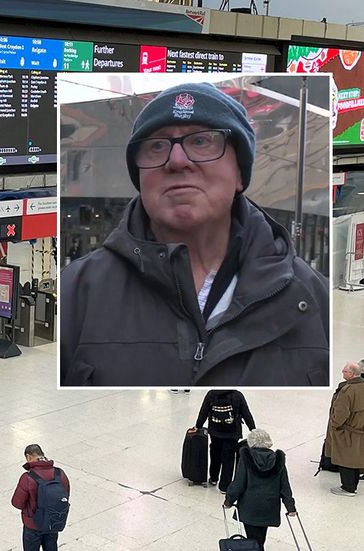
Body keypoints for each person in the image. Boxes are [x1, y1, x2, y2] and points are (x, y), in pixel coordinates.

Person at [60, 81, 329, 386]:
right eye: (157, 145)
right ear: (140, 176)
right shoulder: (76, 293)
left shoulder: (312, 298)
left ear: (240, 173)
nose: (177, 161)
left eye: (202, 141)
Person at [223, 428, 296, 551]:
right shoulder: (278, 460)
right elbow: (285, 486)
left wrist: (228, 501)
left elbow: (238, 484)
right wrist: (290, 507)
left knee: (254, 541)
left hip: (249, 507)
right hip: (269, 507)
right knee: (260, 539)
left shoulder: (246, 459)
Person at [190, 389, 256, 492]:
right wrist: (253, 429)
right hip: (232, 432)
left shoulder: (212, 394)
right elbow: (246, 413)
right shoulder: (237, 395)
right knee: (228, 458)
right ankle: (224, 486)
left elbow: (204, 411)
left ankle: (213, 478)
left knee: (215, 454)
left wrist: (198, 426)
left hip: (215, 431)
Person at [11, 444, 70, 551]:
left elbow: (17, 503)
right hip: (53, 521)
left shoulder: (28, 478)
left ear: (29, 457)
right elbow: (66, 495)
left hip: (33, 524)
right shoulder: (60, 473)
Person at [327, 360, 364, 497]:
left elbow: (341, 413)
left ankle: (348, 488)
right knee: (355, 458)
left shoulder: (347, 390)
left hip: (346, 431)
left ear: (353, 374)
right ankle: (353, 485)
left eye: (345, 371)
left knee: (345, 459)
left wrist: (334, 425)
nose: (342, 372)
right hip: (359, 429)